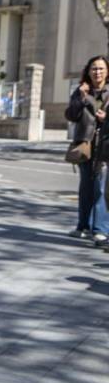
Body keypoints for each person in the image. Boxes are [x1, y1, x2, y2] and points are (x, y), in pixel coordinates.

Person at [66, 56, 109, 244]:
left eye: (100, 68)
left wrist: (106, 118)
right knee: (85, 188)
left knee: (100, 187)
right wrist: (80, 98)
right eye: (94, 68)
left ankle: (100, 229)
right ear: (88, 71)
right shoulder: (81, 90)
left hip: (105, 147)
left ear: (107, 71)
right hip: (85, 146)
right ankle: (83, 226)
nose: (97, 72)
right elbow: (71, 115)